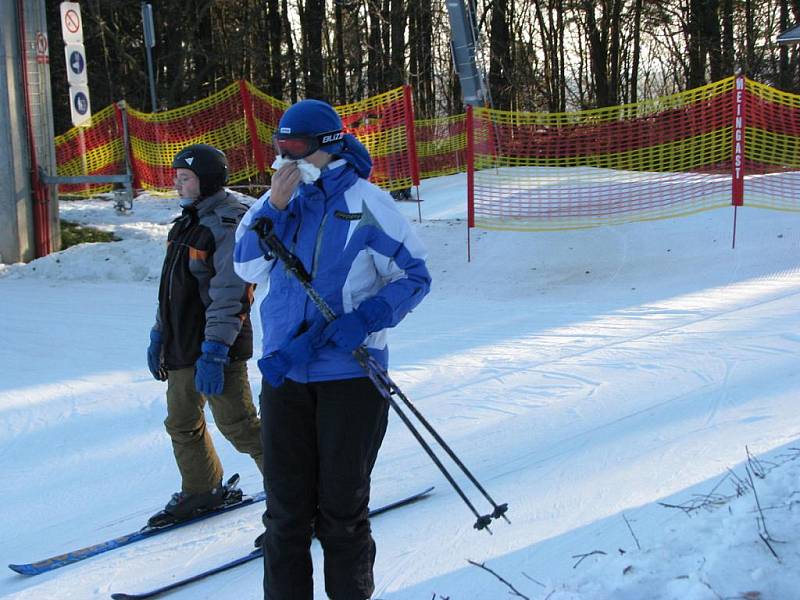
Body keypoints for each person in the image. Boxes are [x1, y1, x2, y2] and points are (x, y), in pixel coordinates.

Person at [233, 99, 431, 600]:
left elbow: (414, 276)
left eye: (296, 148)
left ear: (329, 147)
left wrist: (366, 320)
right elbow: (245, 265)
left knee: (341, 516)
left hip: (350, 379)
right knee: (284, 518)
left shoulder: (368, 203)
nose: (286, 158)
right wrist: (273, 208)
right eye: (279, 148)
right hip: (285, 378)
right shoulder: (275, 204)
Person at [146, 143, 263, 525]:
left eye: (185, 178)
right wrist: (160, 333)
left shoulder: (228, 222)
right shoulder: (189, 219)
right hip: (182, 343)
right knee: (181, 422)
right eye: (177, 177)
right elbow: (172, 286)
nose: (177, 185)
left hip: (218, 343)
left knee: (240, 426)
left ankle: (299, 491)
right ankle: (202, 489)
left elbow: (232, 292)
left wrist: (215, 350)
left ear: (208, 180)